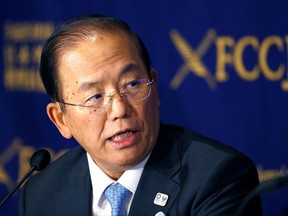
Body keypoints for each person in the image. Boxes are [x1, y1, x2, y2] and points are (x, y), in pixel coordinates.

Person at [19, 14, 262, 216]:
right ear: (61, 119)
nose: (120, 110)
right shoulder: (41, 193)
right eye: (95, 97)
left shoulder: (217, 178)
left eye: (132, 84)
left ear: (153, 87)